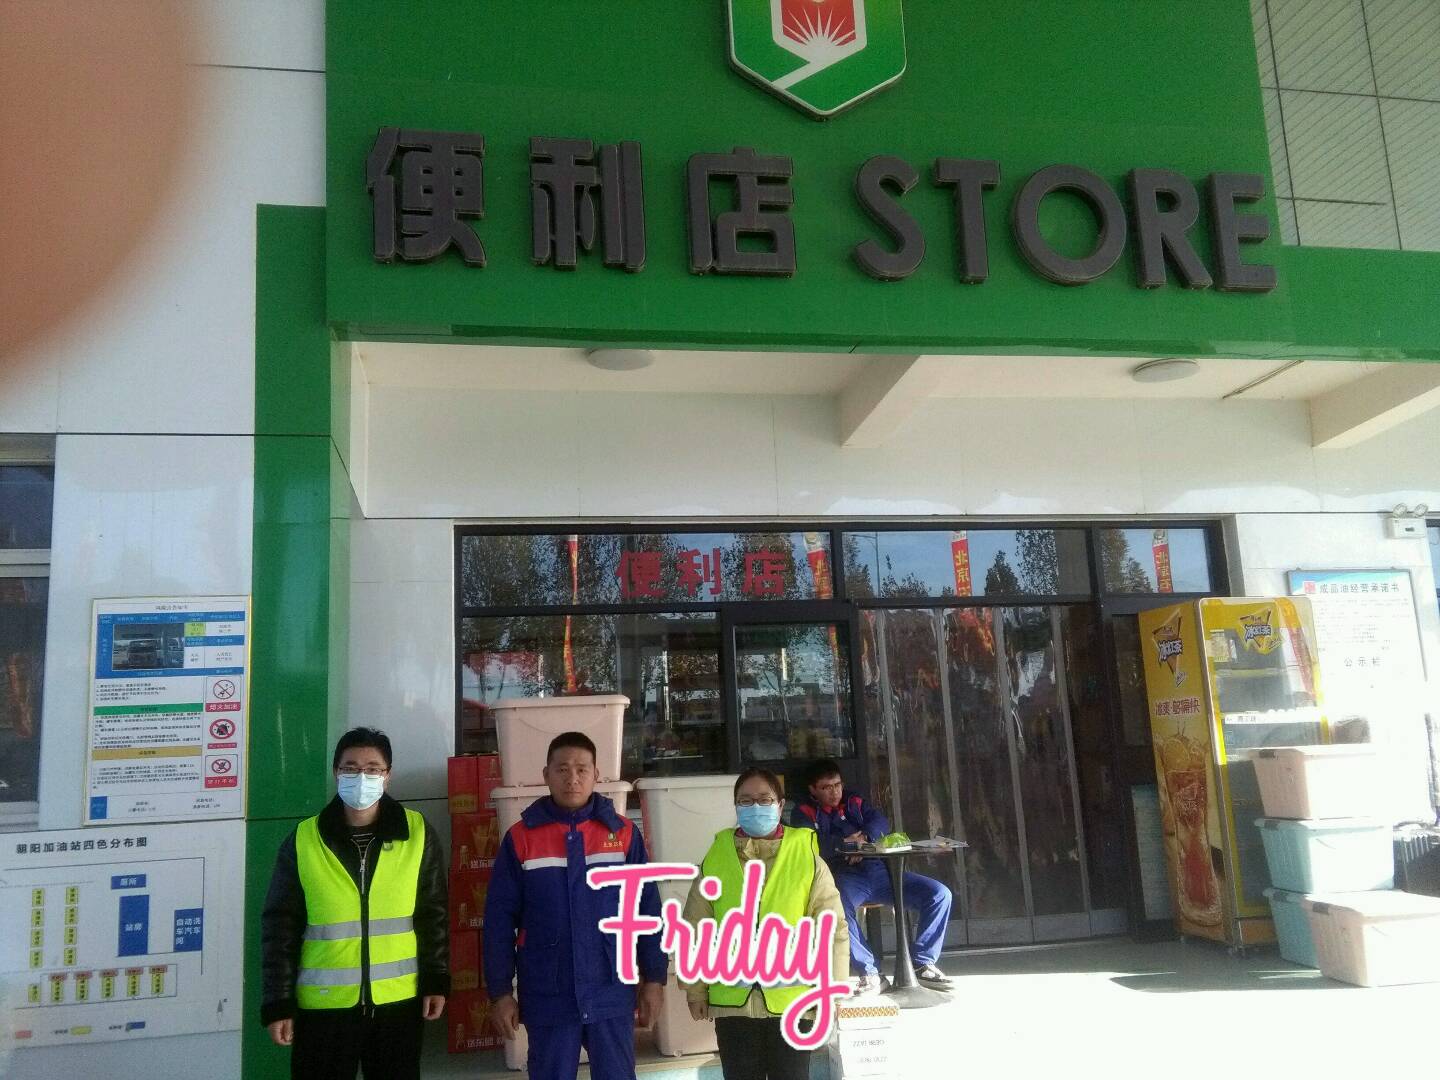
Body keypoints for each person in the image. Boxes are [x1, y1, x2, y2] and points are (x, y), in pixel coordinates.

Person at [260, 727, 449, 1080]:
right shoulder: (304, 840)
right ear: (336, 773)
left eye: (372, 769)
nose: (361, 777)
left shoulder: (417, 833)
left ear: (387, 776)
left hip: (398, 1003)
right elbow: (279, 926)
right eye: (350, 768)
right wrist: (278, 1001)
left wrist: (436, 980)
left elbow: (433, 914)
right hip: (323, 1007)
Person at [484, 731, 666, 1080]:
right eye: (562, 769)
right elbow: (498, 921)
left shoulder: (623, 835)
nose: (572, 778)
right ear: (546, 774)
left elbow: (647, 910)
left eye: (582, 769)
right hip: (548, 993)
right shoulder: (521, 838)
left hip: (611, 989)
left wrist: (654, 978)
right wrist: (501, 992)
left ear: (596, 775)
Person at [684, 768, 849, 1080]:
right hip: (732, 1006)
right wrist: (695, 990)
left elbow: (833, 929)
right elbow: (695, 926)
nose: (755, 807)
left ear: (780, 804)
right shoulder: (717, 857)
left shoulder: (806, 856)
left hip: (794, 1003)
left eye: (764, 799)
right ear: (735, 807)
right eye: (746, 801)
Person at [789, 759, 953, 994]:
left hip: (882, 872)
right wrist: (844, 845)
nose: (834, 792)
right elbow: (807, 843)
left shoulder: (854, 801)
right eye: (826, 787)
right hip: (846, 876)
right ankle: (870, 973)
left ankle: (922, 963)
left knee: (939, 894)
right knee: (836, 906)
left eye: (837, 785)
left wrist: (864, 839)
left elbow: (880, 822)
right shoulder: (803, 812)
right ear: (813, 790)